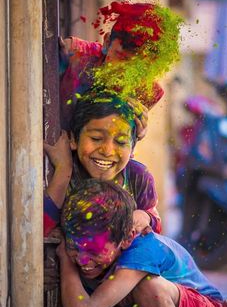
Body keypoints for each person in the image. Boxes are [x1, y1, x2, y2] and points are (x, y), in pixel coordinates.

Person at [57, 178, 227, 307]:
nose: (83, 259)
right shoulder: (88, 249)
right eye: (74, 247)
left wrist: (66, 260)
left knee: (147, 288)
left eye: (94, 251)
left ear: (127, 239)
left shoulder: (142, 250)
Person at [44, 91, 161, 237]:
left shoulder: (138, 176)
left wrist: (145, 217)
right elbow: (40, 228)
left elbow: (155, 223)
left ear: (132, 148)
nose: (107, 151)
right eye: (96, 138)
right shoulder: (64, 171)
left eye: (120, 142)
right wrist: (63, 171)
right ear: (73, 139)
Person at [60, 1, 183, 132]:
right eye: (123, 57)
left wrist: (136, 133)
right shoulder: (74, 53)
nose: (128, 72)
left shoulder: (147, 93)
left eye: (142, 68)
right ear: (107, 43)